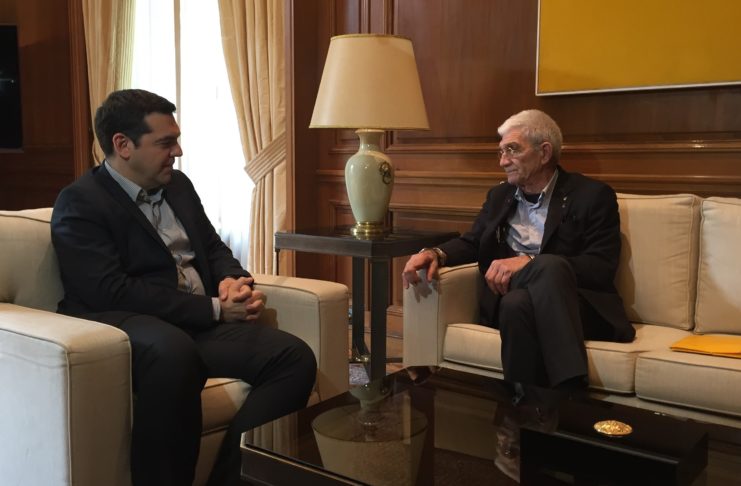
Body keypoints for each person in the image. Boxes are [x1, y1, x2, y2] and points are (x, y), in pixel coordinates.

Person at [51, 89, 317, 486]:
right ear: (123, 145)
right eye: (166, 142)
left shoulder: (178, 186)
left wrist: (232, 281)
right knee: (173, 352)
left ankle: (231, 480)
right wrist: (214, 309)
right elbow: (110, 290)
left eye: (176, 140)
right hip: (126, 324)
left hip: (193, 326)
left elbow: (212, 247)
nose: (178, 151)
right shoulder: (80, 202)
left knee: (294, 357)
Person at [402, 109, 635, 393]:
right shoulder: (499, 196)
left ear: (544, 152)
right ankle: (549, 401)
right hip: (512, 293)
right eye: (501, 152)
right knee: (516, 301)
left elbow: (601, 267)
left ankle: (539, 399)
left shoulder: (592, 196)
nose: (503, 161)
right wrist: (436, 254)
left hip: (577, 304)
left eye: (512, 150)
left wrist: (530, 262)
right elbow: (474, 241)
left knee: (536, 282)